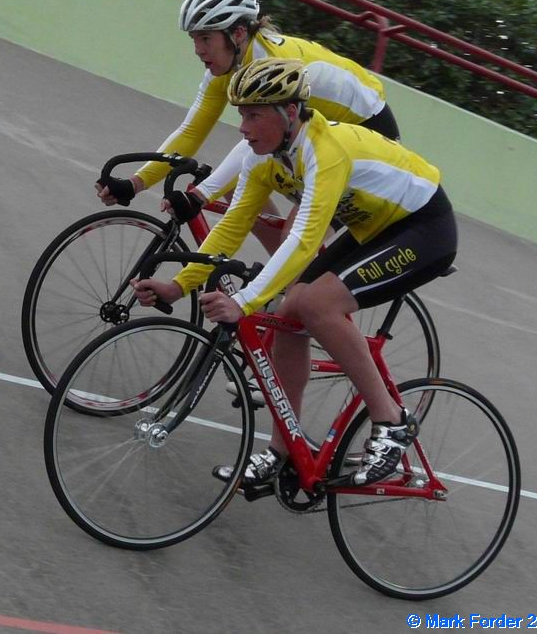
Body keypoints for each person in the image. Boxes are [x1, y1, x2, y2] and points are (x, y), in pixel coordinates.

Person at [131, 58, 458, 487]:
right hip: (372, 228)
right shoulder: (263, 158)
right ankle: (284, 451)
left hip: (424, 226)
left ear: (289, 112)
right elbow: (232, 226)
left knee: (317, 305)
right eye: (241, 115)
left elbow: (304, 240)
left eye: (254, 116)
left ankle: (392, 421)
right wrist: (178, 287)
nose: (243, 129)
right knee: (289, 314)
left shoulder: (325, 150)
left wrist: (243, 302)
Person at [96, 0, 398, 253]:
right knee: (236, 191)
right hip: (320, 137)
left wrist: (200, 195)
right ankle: (282, 285)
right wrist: (136, 183)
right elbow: (191, 132)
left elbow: (256, 142)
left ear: (238, 33)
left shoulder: (270, 66)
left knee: (294, 239)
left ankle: (297, 286)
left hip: (366, 136)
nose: (198, 50)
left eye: (205, 39)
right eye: (194, 39)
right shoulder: (227, 69)